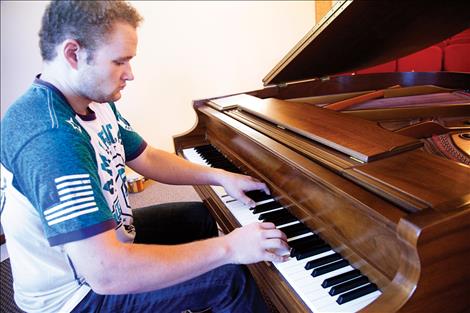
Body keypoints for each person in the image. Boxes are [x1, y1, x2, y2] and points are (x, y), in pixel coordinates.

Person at [0, 1, 290, 312]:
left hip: (108, 240)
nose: (130, 75)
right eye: (119, 62)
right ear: (73, 54)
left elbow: (147, 157)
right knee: (227, 278)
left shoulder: (92, 99)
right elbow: (107, 275)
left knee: (202, 216)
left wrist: (219, 176)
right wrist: (230, 248)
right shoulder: (52, 138)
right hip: (74, 296)